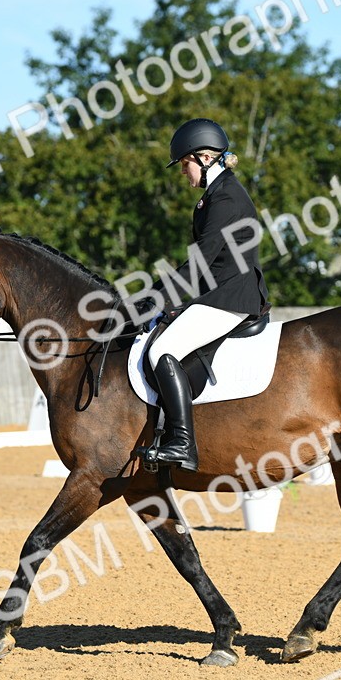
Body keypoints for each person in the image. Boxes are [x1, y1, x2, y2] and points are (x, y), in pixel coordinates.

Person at [141, 118, 270, 473]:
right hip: (220, 292)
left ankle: (182, 442)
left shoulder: (226, 197)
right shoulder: (216, 195)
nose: (183, 173)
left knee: (161, 350)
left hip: (230, 297)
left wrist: (157, 299)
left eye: (185, 164)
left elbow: (202, 262)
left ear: (203, 158)